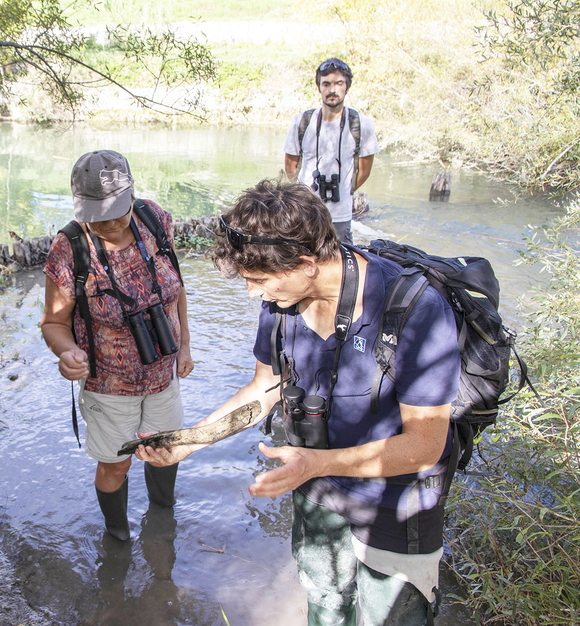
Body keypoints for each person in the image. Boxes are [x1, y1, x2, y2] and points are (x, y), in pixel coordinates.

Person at [136, 180, 460, 626]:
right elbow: (263, 391)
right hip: (317, 488)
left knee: (393, 618)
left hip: (396, 503)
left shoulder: (416, 309)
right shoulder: (283, 300)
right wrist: (188, 442)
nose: (253, 293)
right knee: (325, 604)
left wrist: (315, 464)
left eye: (258, 281)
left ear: (307, 264)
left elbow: (425, 445)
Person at [41, 149, 193, 541]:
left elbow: (176, 289)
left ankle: (163, 517)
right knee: (116, 465)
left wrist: (185, 348)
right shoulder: (69, 247)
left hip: (163, 373)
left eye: (117, 211)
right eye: (97, 215)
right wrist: (66, 352)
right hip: (109, 386)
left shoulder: (154, 220)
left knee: (165, 451)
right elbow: (54, 322)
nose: (108, 223)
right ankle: (117, 533)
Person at [284, 58, 379, 244]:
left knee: (340, 265)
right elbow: (290, 166)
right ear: (319, 87)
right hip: (305, 213)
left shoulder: (361, 124)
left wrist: (345, 191)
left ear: (347, 87)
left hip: (341, 216)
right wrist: (303, 194)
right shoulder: (302, 122)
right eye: (326, 84)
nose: (332, 90)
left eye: (338, 84)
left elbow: (365, 170)